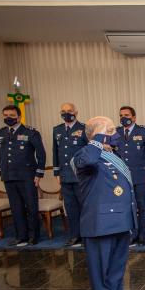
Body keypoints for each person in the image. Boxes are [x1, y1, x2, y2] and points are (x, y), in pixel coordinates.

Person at [72, 116, 140, 290]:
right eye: (109, 130)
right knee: (101, 273)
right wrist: (97, 137)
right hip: (100, 224)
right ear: (96, 135)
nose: (114, 133)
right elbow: (87, 161)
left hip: (120, 221)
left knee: (116, 270)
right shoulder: (85, 155)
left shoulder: (111, 155)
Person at [0, 104, 46, 246]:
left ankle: (34, 235)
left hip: (27, 176)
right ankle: (21, 236)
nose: (8, 118)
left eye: (11, 115)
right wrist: (1, 171)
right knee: (16, 208)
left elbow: (41, 154)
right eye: (5, 115)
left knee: (31, 207)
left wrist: (39, 174)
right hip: (9, 176)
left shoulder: (30, 132)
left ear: (19, 116)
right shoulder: (0, 133)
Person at [115, 106, 145, 246]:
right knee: (126, 207)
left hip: (141, 176)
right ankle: (130, 234)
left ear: (134, 117)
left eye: (126, 115)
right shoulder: (116, 132)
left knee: (142, 206)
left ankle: (142, 236)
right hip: (122, 177)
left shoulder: (144, 131)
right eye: (121, 115)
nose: (123, 118)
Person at [52, 102, 88, 247]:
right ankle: (75, 236)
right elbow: (55, 151)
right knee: (71, 207)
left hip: (81, 175)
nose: (67, 113)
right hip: (65, 175)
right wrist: (56, 172)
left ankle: (86, 236)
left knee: (84, 207)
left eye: (70, 111)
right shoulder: (57, 130)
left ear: (76, 112)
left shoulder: (84, 128)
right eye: (63, 111)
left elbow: (89, 151)